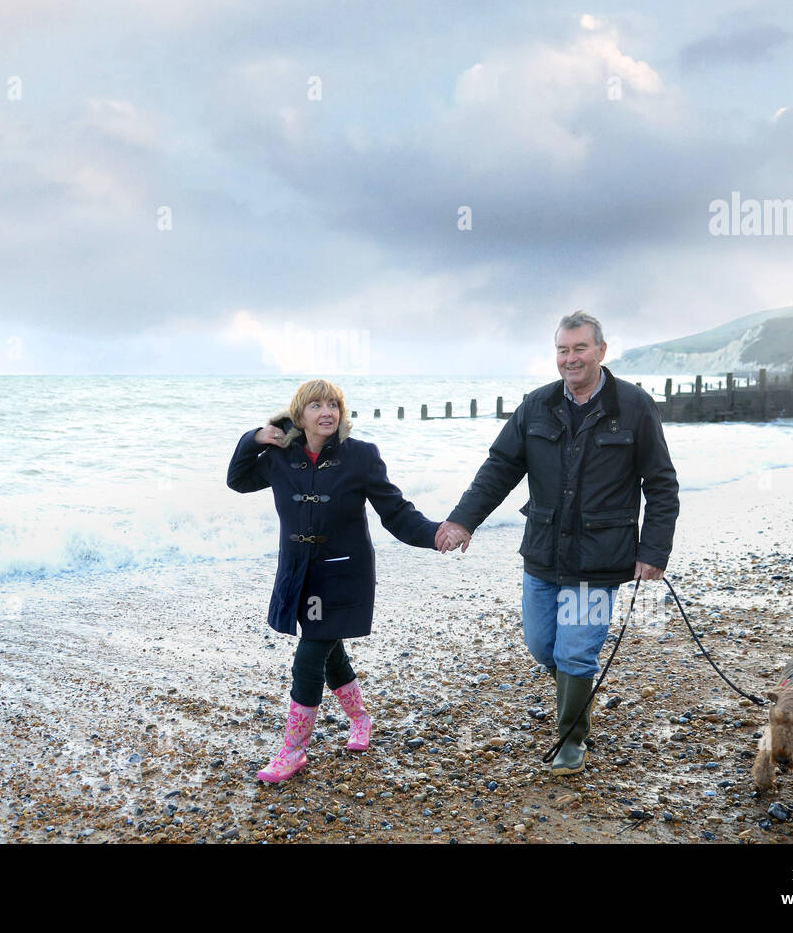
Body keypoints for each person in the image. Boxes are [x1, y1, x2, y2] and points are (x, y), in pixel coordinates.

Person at [435, 311, 679, 775]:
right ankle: (579, 699)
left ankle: (572, 737)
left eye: (580, 349)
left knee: (575, 650)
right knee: (542, 645)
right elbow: (499, 468)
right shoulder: (536, 405)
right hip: (544, 551)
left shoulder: (634, 405)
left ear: (601, 351)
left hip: (601, 555)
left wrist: (653, 550)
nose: (571, 358)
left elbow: (661, 484)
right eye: (563, 350)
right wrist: (464, 520)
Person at [228, 379, 441, 783]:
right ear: (299, 414)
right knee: (329, 650)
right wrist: (254, 437)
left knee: (309, 658)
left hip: (343, 573)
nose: (327, 412)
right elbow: (237, 480)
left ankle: (292, 752)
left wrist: (435, 534)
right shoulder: (280, 457)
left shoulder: (359, 456)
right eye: (316, 406)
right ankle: (360, 720)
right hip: (298, 572)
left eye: (333, 405)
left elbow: (395, 512)